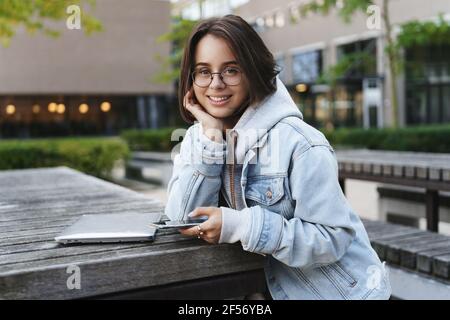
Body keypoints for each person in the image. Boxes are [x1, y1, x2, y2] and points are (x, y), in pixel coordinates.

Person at [164, 14, 391, 300]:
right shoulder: (202, 138)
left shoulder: (300, 143)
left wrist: (242, 226)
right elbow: (182, 220)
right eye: (203, 71)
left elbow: (332, 239)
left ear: (253, 71)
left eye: (231, 70)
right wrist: (210, 140)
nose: (216, 84)